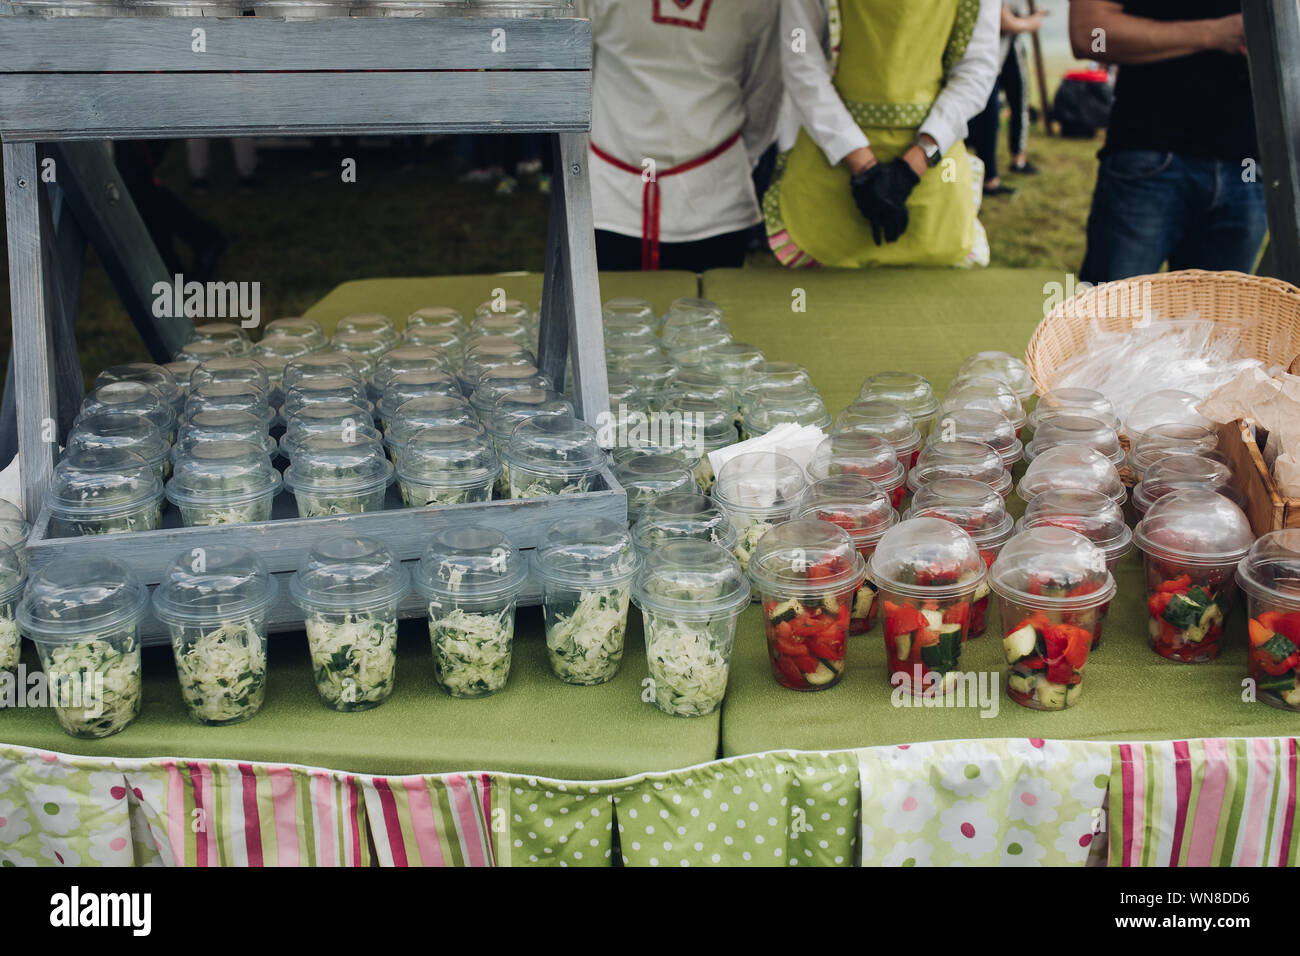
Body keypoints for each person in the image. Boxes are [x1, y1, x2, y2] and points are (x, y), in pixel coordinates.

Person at [767, 0, 1001, 269]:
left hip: (933, 181)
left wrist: (909, 167)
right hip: (831, 179)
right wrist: (867, 165)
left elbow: (977, 69)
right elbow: (802, 58)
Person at [577, 0, 782, 272]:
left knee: (705, 311)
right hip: (610, 200)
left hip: (716, 204)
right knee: (609, 311)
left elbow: (765, 96)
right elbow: (576, 75)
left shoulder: (762, 6)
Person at [1071, 1, 1265, 283]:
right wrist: (1214, 33)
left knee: (1220, 326)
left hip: (1249, 166)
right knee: (1112, 322)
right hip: (1150, 156)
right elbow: (1089, 33)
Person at [966, 3, 1047, 198]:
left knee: (1015, 99)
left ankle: (1008, 165)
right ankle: (988, 179)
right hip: (982, 51)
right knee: (987, 112)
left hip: (1001, 44)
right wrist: (1031, 23)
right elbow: (1002, 20)